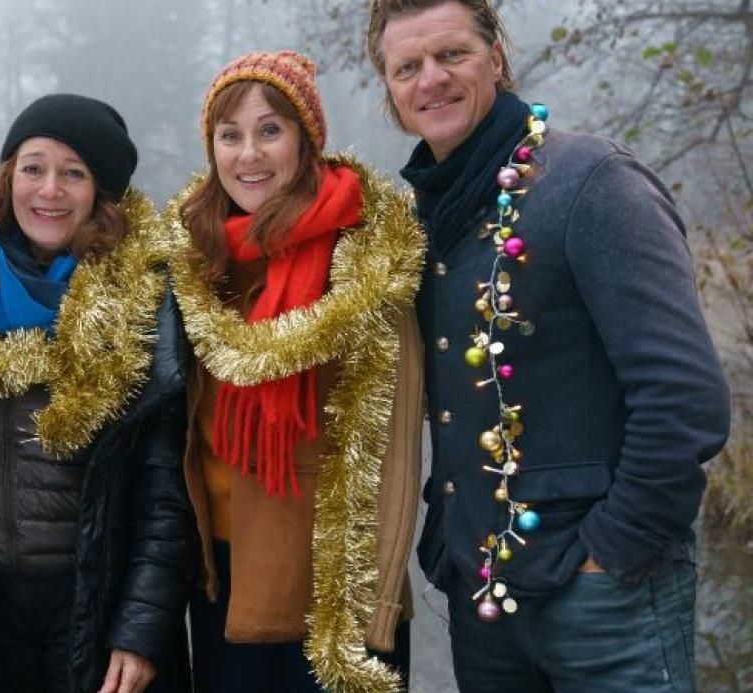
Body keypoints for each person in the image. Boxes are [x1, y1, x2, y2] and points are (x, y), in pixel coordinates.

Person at [365, 1, 732, 690]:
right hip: (485, 607)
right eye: (406, 67)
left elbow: (685, 398)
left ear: (496, 58)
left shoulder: (590, 181)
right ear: (390, 90)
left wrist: (612, 551)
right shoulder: (418, 226)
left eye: (452, 55)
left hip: (606, 599)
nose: (430, 80)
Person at [161, 51, 425, 692]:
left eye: (270, 131)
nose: (248, 154)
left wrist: (379, 605)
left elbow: (394, 450)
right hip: (220, 577)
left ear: (306, 142)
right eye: (231, 136)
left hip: (336, 592)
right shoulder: (195, 259)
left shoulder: (363, 252)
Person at [0, 93, 195, 693]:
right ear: (9, 177)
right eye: (33, 168)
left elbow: (167, 489)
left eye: (72, 173)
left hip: (96, 610)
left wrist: (141, 627)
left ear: (99, 192)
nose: (48, 190)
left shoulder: (142, 302)